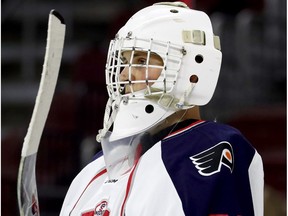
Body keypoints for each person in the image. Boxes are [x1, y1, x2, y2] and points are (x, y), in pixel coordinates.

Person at [60, 2, 264, 215]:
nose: (123, 75)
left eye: (140, 61)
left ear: (191, 69)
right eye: (123, 63)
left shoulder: (213, 147)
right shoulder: (95, 169)